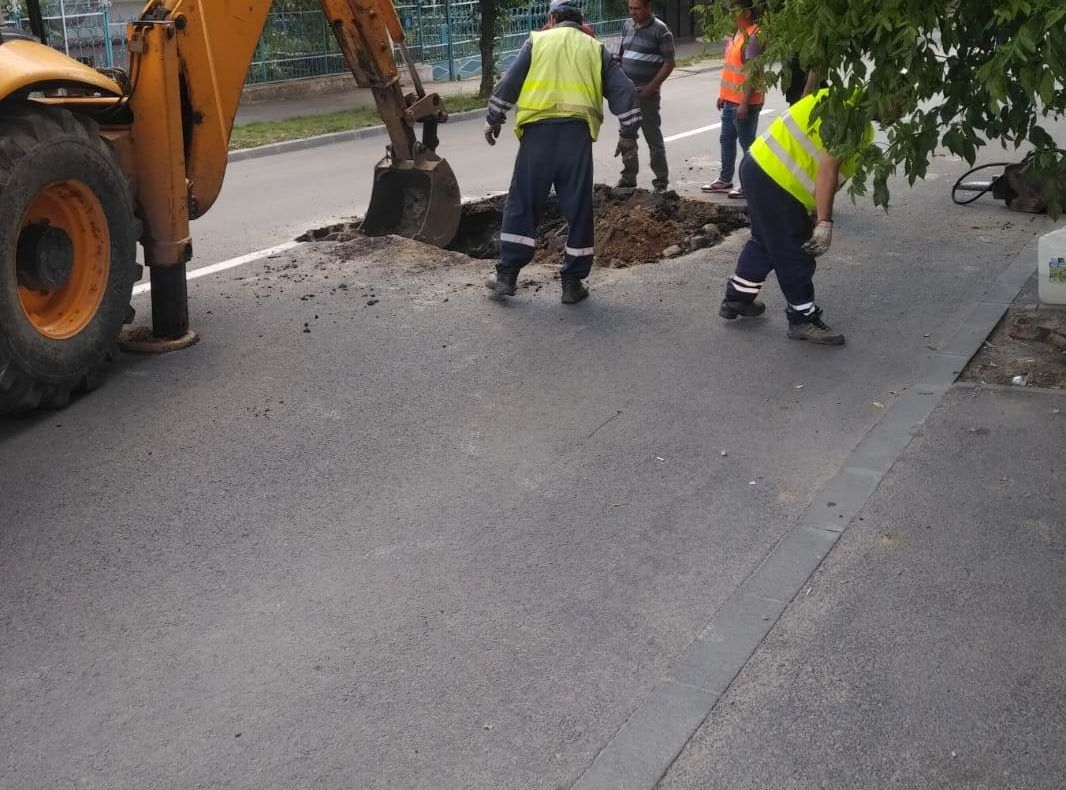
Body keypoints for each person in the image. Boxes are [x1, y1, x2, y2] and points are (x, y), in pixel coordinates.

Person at [482, 0, 641, 305]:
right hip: (575, 138)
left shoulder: (537, 41)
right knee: (578, 207)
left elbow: (510, 82)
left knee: (523, 201)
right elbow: (625, 91)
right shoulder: (595, 49)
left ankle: (506, 277)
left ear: (552, 19)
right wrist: (628, 134)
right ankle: (572, 283)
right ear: (581, 22)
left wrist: (494, 118)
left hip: (537, 136)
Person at [718, 89, 875, 345]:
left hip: (758, 167)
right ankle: (802, 319)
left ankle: (738, 298)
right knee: (795, 250)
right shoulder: (850, 118)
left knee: (765, 241)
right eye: (901, 103)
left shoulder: (836, 98)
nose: (901, 112)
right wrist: (824, 221)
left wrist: (816, 208)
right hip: (777, 181)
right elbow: (828, 170)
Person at [701, 0, 764, 199]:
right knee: (726, 139)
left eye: (734, 10)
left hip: (745, 103)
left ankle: (751, 184)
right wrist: (723, 95)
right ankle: (725, 179)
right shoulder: (737, 34)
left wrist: (744, 102)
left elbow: (753, 72)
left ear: (747, 13)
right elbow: (731, 68)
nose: (730, 14)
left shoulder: (753, 36)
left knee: (748, 144)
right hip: (730, 100)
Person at [614, 0, 675, 193]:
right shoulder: (627, 25)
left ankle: (661, 182)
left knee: (653, 138)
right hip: (627, 94)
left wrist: (651, 88)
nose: (633, 12)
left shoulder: (661, 31)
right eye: (630, 8)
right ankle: (628, 178)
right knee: (627, 136)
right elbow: (619, 54)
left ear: (648, 7)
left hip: (647, 95)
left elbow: (669, 63)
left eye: (637, 8)